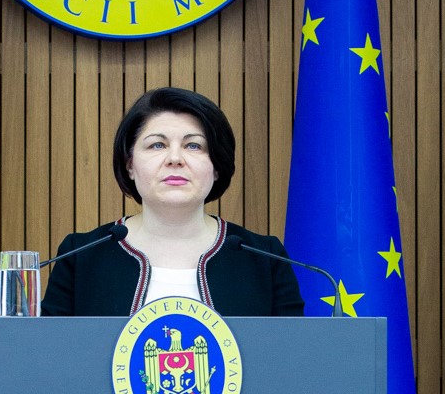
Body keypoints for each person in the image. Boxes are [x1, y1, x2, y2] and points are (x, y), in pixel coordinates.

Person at [41, 87, 304, 317]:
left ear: (216, 167)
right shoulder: (81, 256)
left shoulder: (264, 258)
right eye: (157, 145)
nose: (175, 158)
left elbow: (291, 353)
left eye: (193, 146)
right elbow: (52, 352)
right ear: (130, 164)